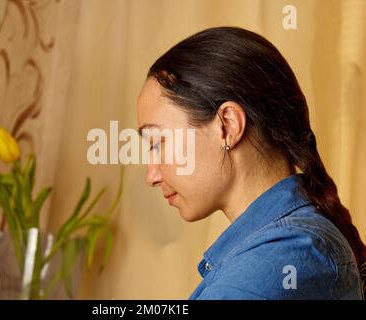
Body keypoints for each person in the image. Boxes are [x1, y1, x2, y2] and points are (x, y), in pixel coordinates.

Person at [137, 26, 366, 299]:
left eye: (157, 143)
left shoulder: (288, 253)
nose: (151, 176)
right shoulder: (285, 247)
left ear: (228, 125)